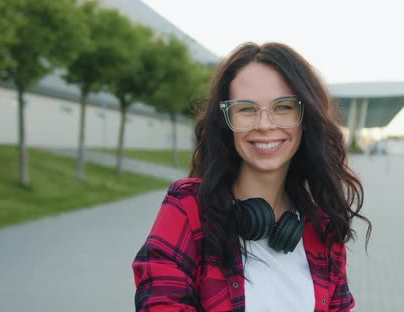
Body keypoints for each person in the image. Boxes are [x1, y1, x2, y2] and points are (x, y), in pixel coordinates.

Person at [132, 42, 371, 312]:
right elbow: (159, 304)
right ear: (226, 120)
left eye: (283, 107)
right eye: (246, 109)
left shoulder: (322, 228)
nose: (265, 125)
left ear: (306, 118)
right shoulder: (189, 207)